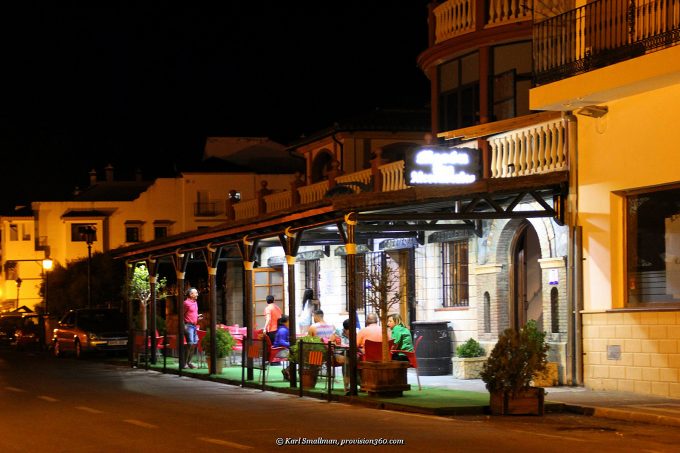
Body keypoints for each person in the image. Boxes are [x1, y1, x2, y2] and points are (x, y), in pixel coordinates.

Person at [183, 287, 202, 369]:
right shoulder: (185, 303)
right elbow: (181, 314)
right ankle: (184, 363)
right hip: (188, 326)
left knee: (194, 344)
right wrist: (183, 325)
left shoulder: (195, 302)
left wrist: (197, 317)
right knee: (190, 343)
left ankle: (189, 362)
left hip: (194, 326)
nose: (197, 294)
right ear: (191, 294)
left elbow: (192, 314)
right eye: (196, 293)